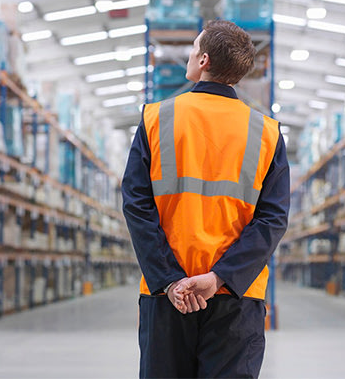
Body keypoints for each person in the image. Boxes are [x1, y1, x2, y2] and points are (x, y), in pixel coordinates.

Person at [122, 19, 290, 378]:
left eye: (194, 47)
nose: (190, 53)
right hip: (237, 297)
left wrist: (168, 280)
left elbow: (137, 205)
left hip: (168, 297)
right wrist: (220, 278)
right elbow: (272, 220)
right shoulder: (266, 133)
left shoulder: (156, 119)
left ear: (203, 60)